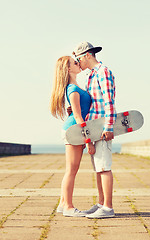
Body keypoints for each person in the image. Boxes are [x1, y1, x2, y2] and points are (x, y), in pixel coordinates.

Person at [72, 41, 116, 218]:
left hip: (102, 127)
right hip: (93, 127)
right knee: (98, 168)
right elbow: (93, 104)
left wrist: (109, 126)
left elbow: (108, 101)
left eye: (79, 59)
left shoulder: (103, 72)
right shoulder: (91, 76)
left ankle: (108, 207)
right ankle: (101, 203)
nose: (78, 63)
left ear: (87, 56)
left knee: (104, 167)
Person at [50, 56, 95, 217]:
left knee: (72, 169)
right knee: (71, 170)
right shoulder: (73, 89)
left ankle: (63, 204)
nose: (79, 63)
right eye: (75, 63)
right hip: (73, 130)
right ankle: (69, 207)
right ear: (68, 69)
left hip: (74, 130)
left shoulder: (75, 87)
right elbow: (78, 117)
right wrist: (88, 140)